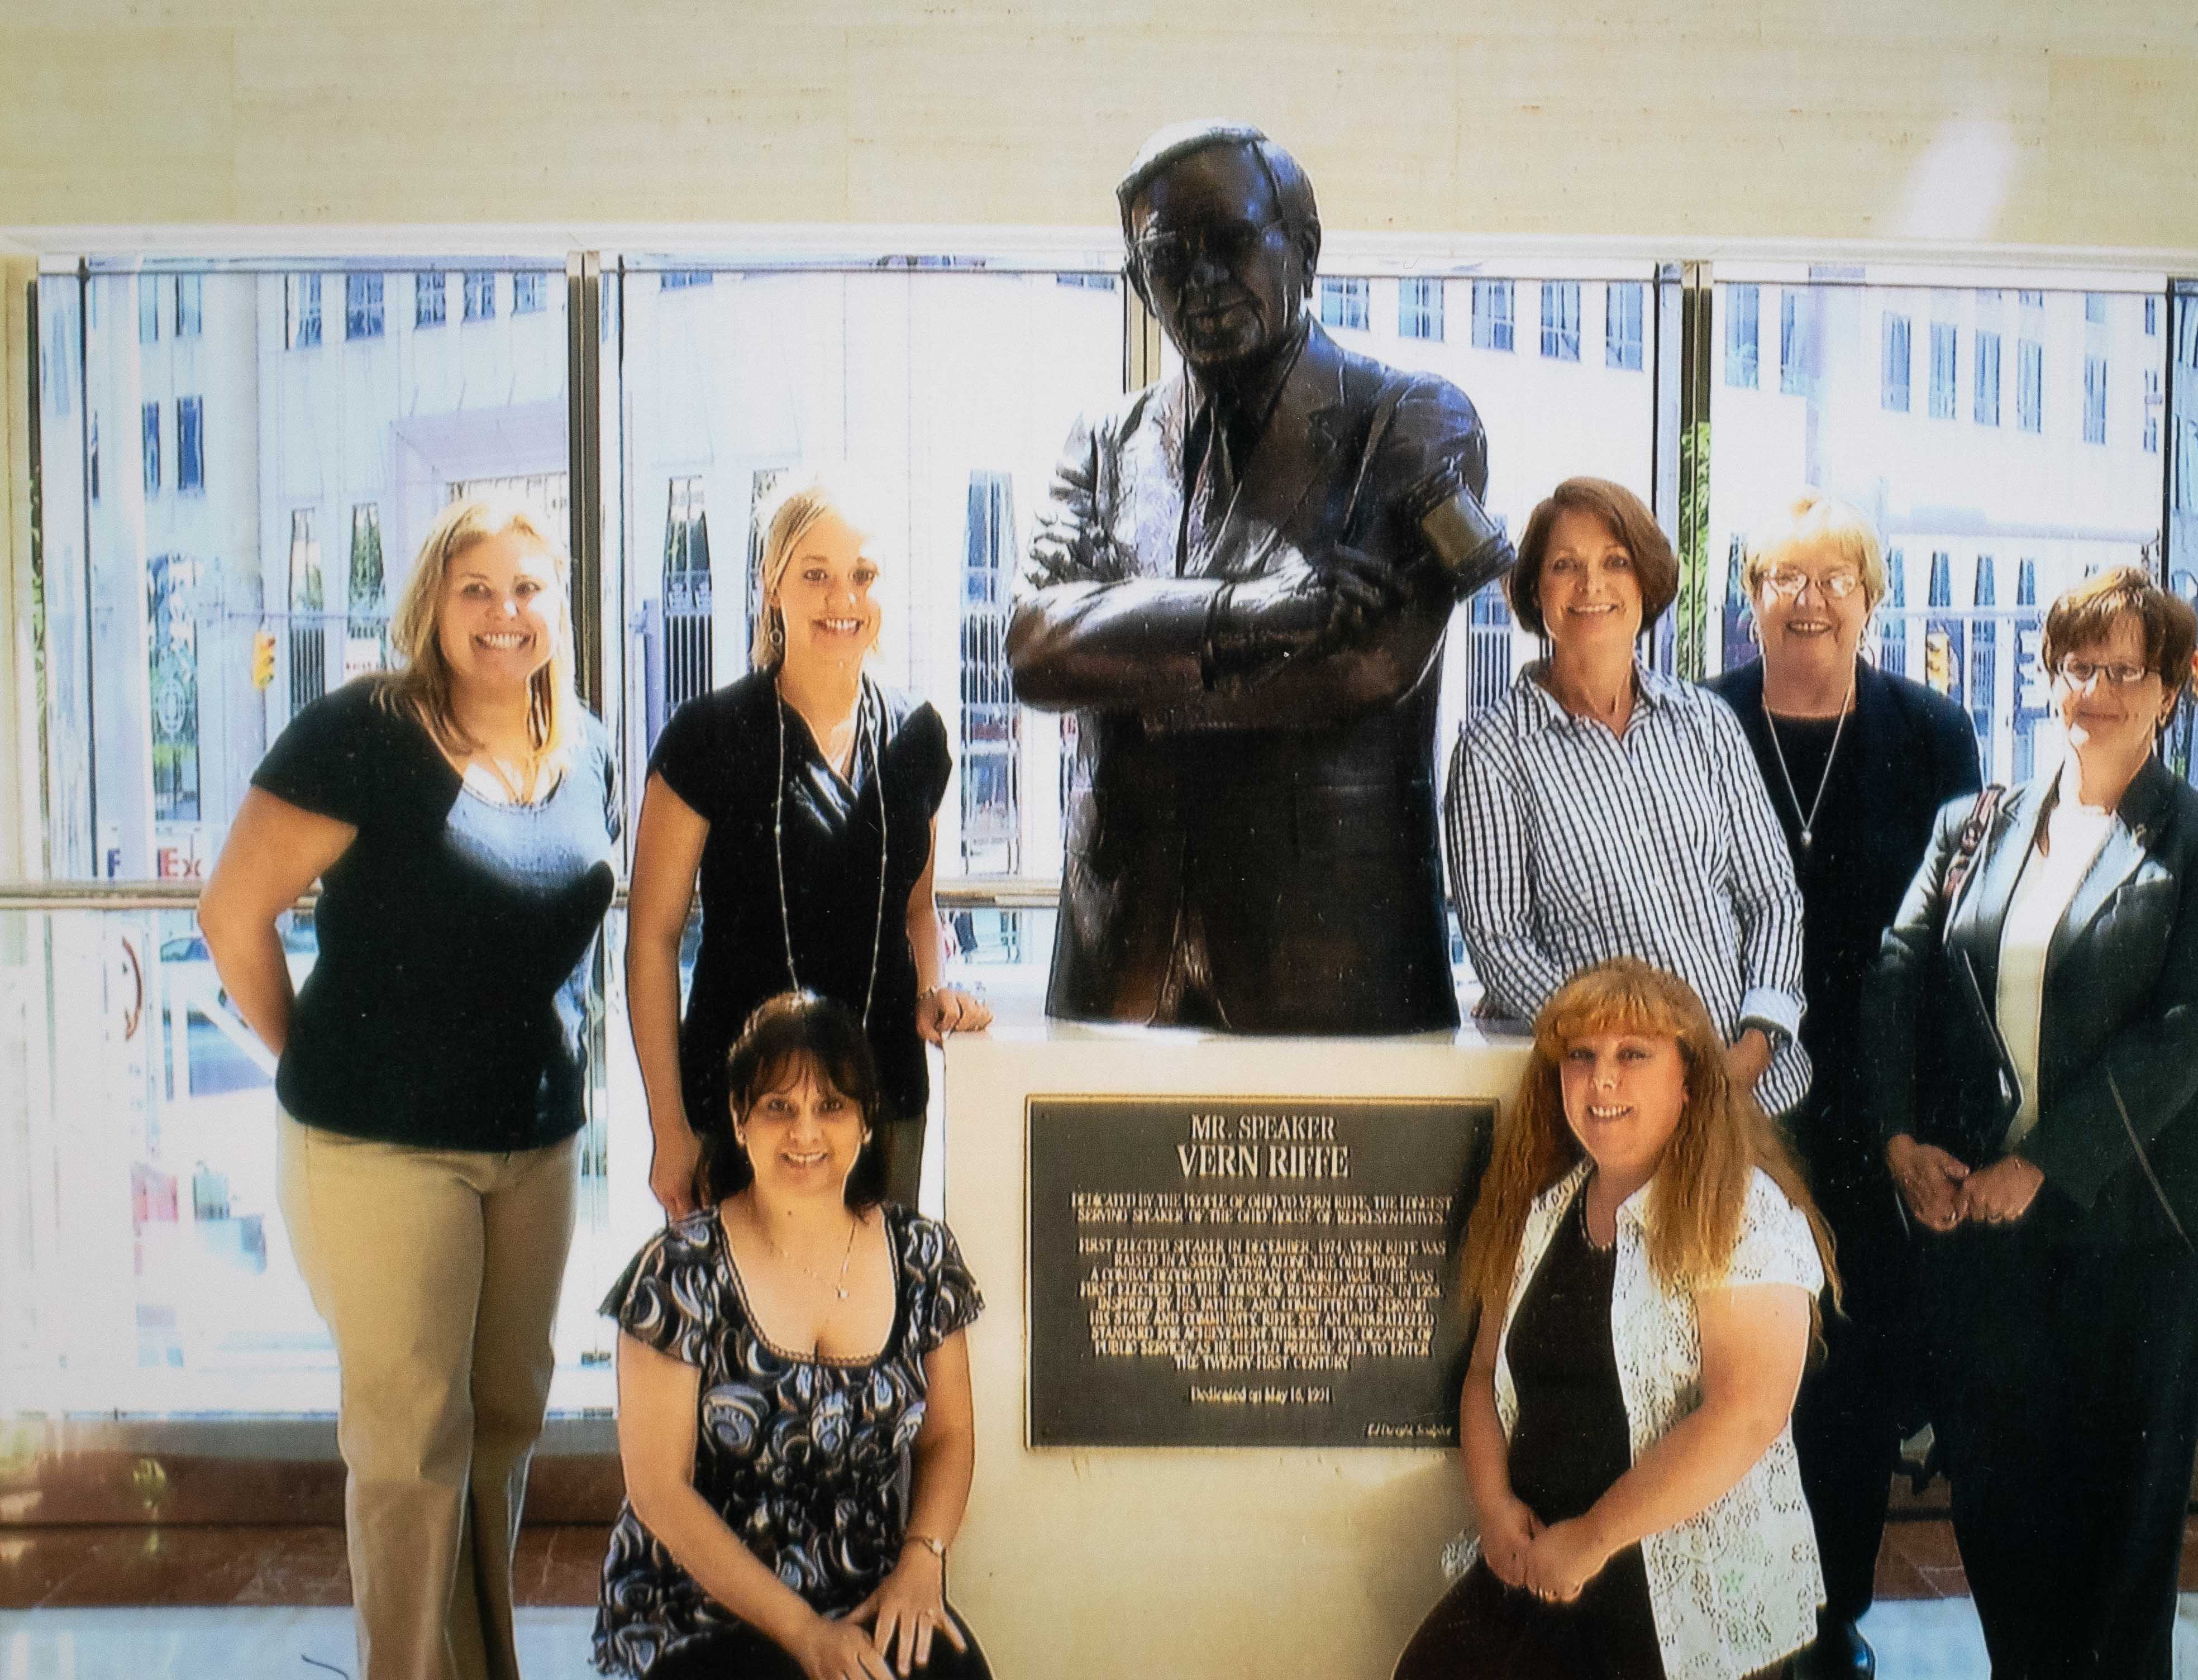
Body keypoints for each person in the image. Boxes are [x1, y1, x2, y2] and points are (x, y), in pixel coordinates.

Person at [199, 497, 617, 1680]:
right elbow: (233, 916)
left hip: (533, 1141)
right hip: (381, 1146)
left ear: (558, 607)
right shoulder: (365, 732)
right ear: (431, 601)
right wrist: (316, 1058)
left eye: (527, 588)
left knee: (503, 1424)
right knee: (410, 1442)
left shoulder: (580, 741)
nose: (504, 613)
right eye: (475, 588)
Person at [1009, 119, 1500, 1034]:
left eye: (1231, 244)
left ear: (1304, 248)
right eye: (1167, 259)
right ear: (1135, 285)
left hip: (1334, 956)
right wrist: (1259, 613)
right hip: (1118, 962)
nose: (1200, 284)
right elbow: (1036, 654)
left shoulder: (1414, 421)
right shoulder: (1102, 443)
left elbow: (1362, 670)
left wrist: (1122, 658)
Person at [1866, 565, 2198, 1680]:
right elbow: (1898, 973)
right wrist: (1898, 1135)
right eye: (2077, 666)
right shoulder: (1974, 823)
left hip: (2152, 1236)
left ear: (2173, 687)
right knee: (2001, 1509)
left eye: (2124, 669)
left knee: (2125, 1532)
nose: (2096, 689)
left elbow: (2189, 1027)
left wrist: (2046, 1160)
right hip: (1992, 1237)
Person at [1706, 492, 1980, 1678]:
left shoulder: (1933, 731)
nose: (1809, 598)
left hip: (1875, 1099)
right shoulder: (1702, 722)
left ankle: (1830, 1617)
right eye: (1784, 575)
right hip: (1736, 1088)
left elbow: (1954, 936)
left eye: (1837, 578)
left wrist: (1918, 1114)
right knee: (1727, 1347)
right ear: (1751, 593)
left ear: (1872, 598)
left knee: (1855, 1368)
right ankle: (1728, 1608)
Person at [1395, 959, 1837, 1680]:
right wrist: (1496, 1509)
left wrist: (1594, 1540)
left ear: (1690, 1079)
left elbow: (1746, 1415)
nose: (1602, 1080)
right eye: (1582, 1057)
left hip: (1682, 1597)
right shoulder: (1542, 1210)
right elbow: (1481, 1377)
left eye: (1634, 1055)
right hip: (1537, 1565)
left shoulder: (1744, 1213)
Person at [594, 992, 991, 1680]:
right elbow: (659, 1489)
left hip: (864, 1586)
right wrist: (805, 1633)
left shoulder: (923, 1254)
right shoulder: (678, 1269)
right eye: (779, 1106)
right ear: (740, 1121)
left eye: (831, 1105)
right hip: (703, 1602)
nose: (805, 1132)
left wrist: (922, 1559)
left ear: (867, 1121)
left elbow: (949, 1436)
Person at [628, 475, 989, 1219]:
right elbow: (652, 940)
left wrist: (931, 994)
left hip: (883, 1109)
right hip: (738, 1112)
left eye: (861, 576)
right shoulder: (708, 737)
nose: (841, 599)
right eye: (815, 575)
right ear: (771, 585)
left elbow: (915, 910)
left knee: (872, 1330)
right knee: (744, 1332)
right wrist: (669, 1127)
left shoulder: (917, 737)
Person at [1445, 476, 1810, 1117]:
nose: (1593, 586)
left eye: (1616, 562)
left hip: (1758, 1100)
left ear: (1646, 582)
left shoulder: (1707, 722)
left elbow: (1773, 898)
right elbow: (1502, 946)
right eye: (1566, 566)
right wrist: (1628, 1060)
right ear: (1536, 591)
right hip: (1617, 1117)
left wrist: (1752, 1047)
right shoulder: (1493, 750)